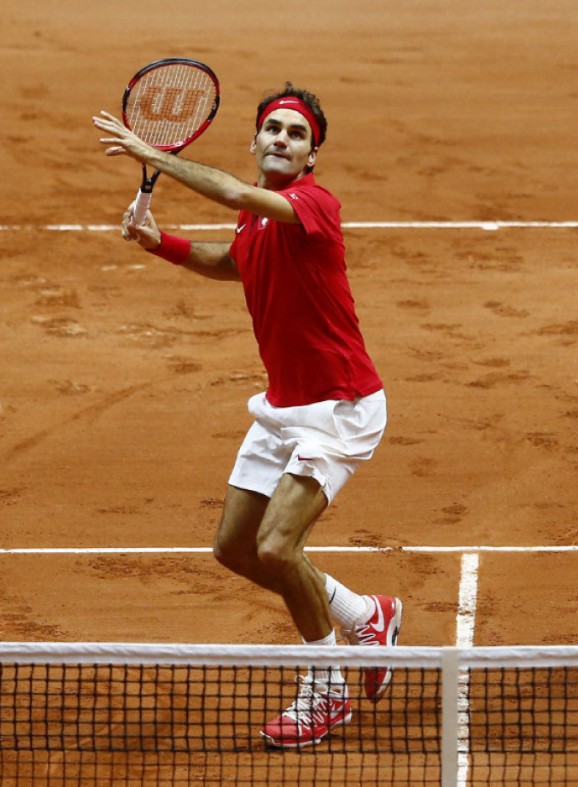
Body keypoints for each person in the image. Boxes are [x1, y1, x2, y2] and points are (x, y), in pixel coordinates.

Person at [93, 83, 403, 746]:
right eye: (274, 130)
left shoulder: (311, 204)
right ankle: (363, 612)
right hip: (284, 407)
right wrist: (159, 241)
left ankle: (325, 689)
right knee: (235, 547)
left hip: (340, 407)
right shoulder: (257, 220)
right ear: (256, 141)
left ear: (311, 155)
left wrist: (153, 154)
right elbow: (233, 261)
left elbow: (235, 193)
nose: (283, 139)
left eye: (297, 134)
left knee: (277, 546)